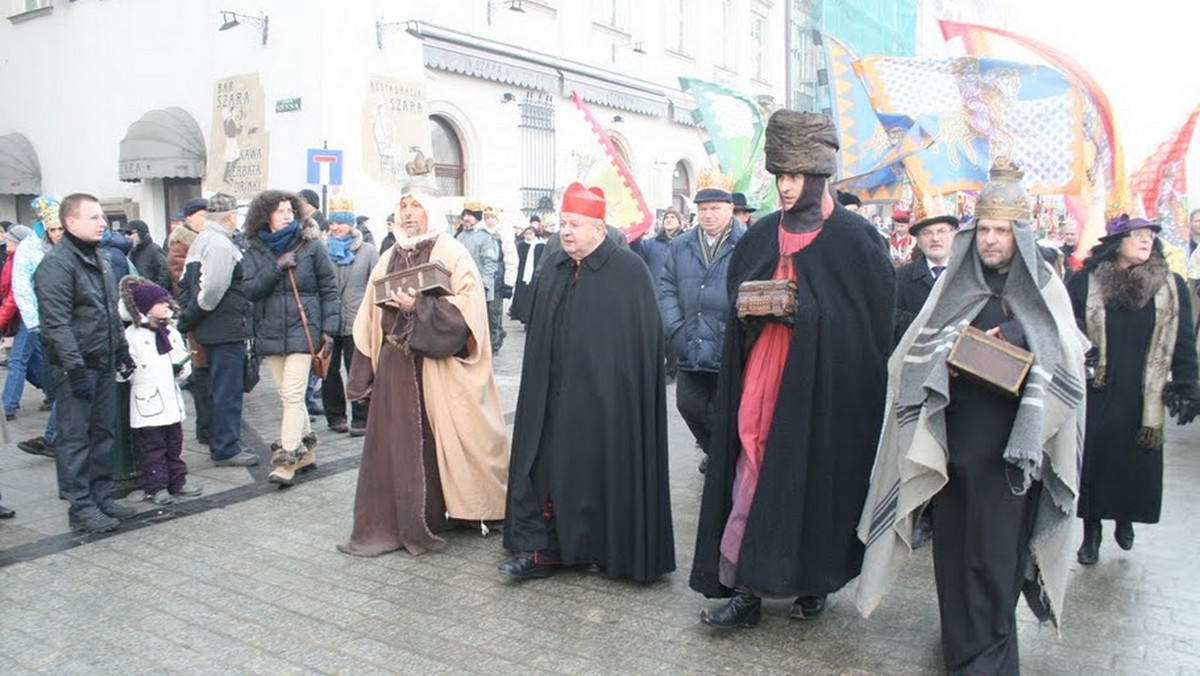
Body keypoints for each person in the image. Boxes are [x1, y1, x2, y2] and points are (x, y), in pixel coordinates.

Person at [857, 159, 1089, 676]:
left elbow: (1067, 363)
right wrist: (949, 361)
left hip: (1010, 458)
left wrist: (1024, 345)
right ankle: (961, 651)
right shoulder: (953, 287)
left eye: (1002, 230)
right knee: (954, 561)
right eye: (984, 229)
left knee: (993, 561)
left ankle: (991, 661)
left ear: (1020, 235)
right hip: (954, 447)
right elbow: (911, 357)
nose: (991, 239)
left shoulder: (1044, 289)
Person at [691, 111, 894, 628]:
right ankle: (745, 589)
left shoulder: (856, 241)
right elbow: (736, 303)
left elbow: (870, 331)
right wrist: (752, 311)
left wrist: (803, 312)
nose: (784, 187)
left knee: (814, 481)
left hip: (824, 389)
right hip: (761, 375)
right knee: (750, 468)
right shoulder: (758, 238)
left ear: (819, 177)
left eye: (795, 176)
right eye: (779, 176)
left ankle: (813, 580)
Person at [500, 182, 674, 582]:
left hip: (606, 402)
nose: (565, 231)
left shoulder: (629, 272)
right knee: (545, 466)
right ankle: (545, 549)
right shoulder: (557, 267)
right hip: (553, 397)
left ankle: (604, 549)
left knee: (600, 468)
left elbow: (644, 342)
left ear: (599, 227)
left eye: (575, 224)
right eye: (563, 223)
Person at [338, 171, 508, 557]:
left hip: (438, 368)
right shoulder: (389, 255)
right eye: (404, 206)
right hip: (398, 364)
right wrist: (363, 369)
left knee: (452, 435)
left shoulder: (451, 251)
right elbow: (367, 313)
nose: (409, 214)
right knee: (399, 440)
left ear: (431, 211)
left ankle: (462, 510)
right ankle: (406, 517)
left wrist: (422, 308)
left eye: (416, 206)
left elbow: (470, 307)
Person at [1067, 215, 1199, 565]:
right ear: (1116, 243)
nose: (1145, 242)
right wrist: (1081, 346)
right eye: (1137, 236)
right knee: (1094, 462)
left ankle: (1124, 520)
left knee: (1132, 463)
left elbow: (1184, 339)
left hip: (1144, 394)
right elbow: (1065, 325)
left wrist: (1186, 384)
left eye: (1150, 237)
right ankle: (1090, 532)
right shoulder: (1085, 282)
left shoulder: (1170, 286)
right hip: (1097, 388)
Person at [35, 193, 140, 533]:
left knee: (103, 433)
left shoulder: (101, 258)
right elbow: (56, 323)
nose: (102, 223)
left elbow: (109, 311)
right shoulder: (57, 265)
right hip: (76, 366)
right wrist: (74, 368)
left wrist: (121, 350)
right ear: (70, 223)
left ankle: (101, 495)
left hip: (103, 359)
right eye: (93, 217)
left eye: (101, 217)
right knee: (75, 438)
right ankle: (80, 506)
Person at [242, 190, 339, 486]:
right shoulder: (255, 250)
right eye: (280, 211)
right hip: (270, 331)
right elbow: (249, 290)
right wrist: (276, 267)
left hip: (303, 329)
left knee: (294, 395)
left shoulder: (311, 246)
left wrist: (328, 329)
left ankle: (286, 461)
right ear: (265, 215)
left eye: (289, 210)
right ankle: (307, 450)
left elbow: (329, 288)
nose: (287, 215)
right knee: (288, 396)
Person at [659, 185, 744, 474]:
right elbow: (666, 286)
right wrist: (675, 327)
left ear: (730, 209)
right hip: (689, 339)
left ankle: (724, 459)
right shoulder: (681, 244)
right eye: (703, 209)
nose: (708, 215)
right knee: (688, 405)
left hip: (728, 343)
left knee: (726, 410)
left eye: (715, 209)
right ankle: (716, 451)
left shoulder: (745, 243)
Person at [177, 193, 258, 468]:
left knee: (215, 387)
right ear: (231, 216)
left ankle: (219, 441)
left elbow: (185, 282)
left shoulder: (202, 239)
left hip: (211, 328)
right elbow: (212, 290)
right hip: (224, 328)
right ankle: (226, 447)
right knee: (226, 390)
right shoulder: (221, 244)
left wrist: (190, 317)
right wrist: (194, 314)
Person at [119, 278, 203, 505]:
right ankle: (156, 486)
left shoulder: (172, 333)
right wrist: (126, 369)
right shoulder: (132, 337)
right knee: (153, 447)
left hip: (170, 399)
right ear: (146, 307)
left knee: (175, 443)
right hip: (148, 402)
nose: (166, 305)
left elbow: (181, 362)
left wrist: (181, 369)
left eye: (167, 302)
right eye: (160, 303)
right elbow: (125, 370)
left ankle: (178, 480)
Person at [321, 197, 379, 436]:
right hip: (329, 320)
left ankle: (361, 417)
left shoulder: (367, 251)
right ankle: (335, 416)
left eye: (341, 223)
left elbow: (376, 285)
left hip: (357, 319)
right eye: (333, 223)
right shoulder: (322, 251)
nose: (336, 228)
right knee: (328, 371)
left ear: (350, 225)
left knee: (358, 369)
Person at [15, 198, 64, 457]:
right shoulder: (31, 249)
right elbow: (21, 284)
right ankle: (55, 436)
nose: (57, 234)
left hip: (72, 328)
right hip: (48, 325)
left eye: (61, 229)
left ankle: (55, 436)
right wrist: (35, 322)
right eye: (53, 229)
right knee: (59, 384)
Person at [167, 197, 212, 446]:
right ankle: (205, 428)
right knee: (202, 374)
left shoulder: (208, 241)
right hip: (196, 317)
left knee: (211, 376)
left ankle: (211, 426)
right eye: (202, 215)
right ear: (190, 217)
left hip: (209, 319)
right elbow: (183, 279)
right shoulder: (180, 245)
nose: (206, 220)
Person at [893, 207, 959, 345]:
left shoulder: (969, 274)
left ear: (955, 234)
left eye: (941, 231)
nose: (935, 238)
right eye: (926, 233)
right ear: (917, 239)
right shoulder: (900, 278)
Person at [2, 226, 44, 421]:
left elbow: (15, 294)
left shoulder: (22, 260)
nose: (6, 242)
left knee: (17, 361)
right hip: (24, 316)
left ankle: (7, 406)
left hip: (28, 315)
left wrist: (1, 318)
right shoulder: (13, 258)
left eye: (10, 240)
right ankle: (54, 393)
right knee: (33, 360)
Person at [508, 225, 544, 326]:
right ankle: (523, 316)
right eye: (526, 234)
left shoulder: (540, 245)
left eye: (530, 234)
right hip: (522, 274)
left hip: (534, 275)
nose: (528, 236)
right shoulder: (522, 245)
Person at [122, 219, 170, 290]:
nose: (127, 236)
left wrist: (153, 291)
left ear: (141, 233)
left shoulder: (154, 250)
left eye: (130, 233)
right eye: (125, 233)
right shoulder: (131, 252)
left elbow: (165, 275)